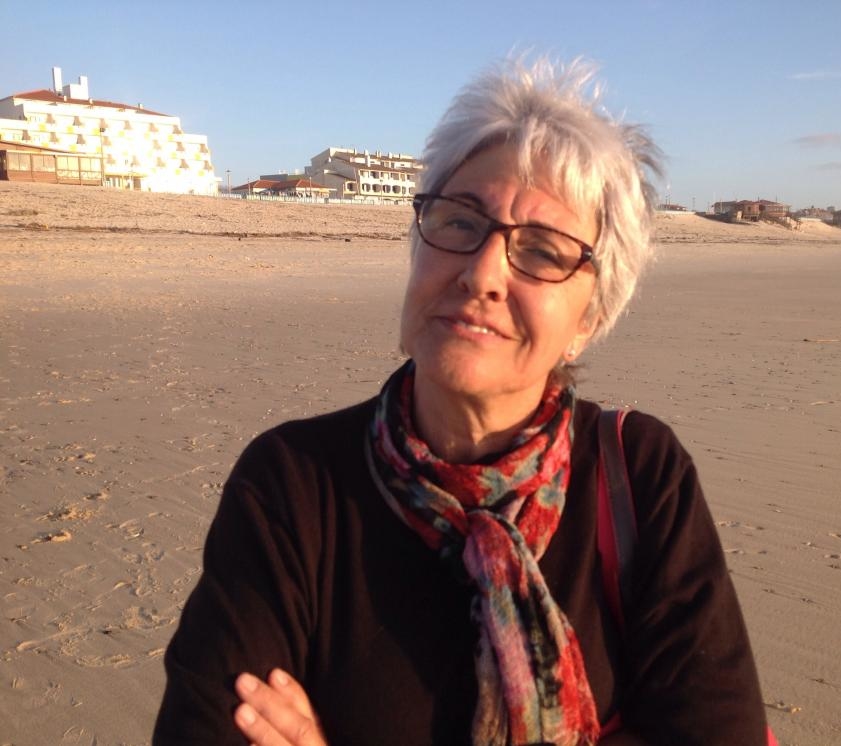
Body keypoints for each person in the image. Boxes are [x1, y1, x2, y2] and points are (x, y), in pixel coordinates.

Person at [153, 56, 769, 746]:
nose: (482, 274)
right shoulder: (293, 485)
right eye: (458, 222)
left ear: (590, 318)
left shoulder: (641, 476)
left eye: (543, 251)